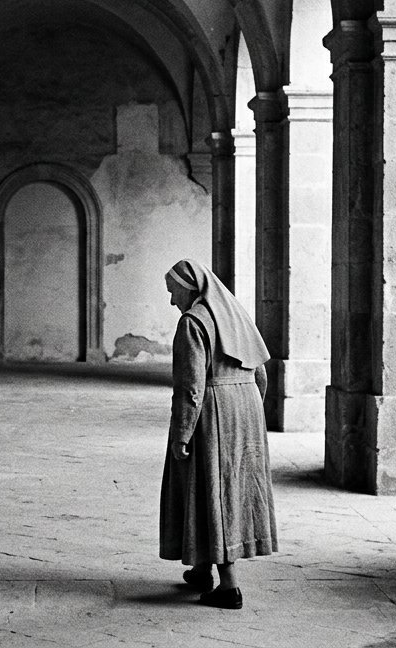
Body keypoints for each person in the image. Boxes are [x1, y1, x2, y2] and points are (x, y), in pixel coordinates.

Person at [159, 258, 278, 609]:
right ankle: (201, 567)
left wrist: (182, 432)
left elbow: (190, 386)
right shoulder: (233, 315)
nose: (172, 301)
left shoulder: (193, 321)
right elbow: (261, 375)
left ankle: (229, 586)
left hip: (213, 409)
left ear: (189, 288)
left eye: (173, 292)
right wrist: (249, 412)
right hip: (246, 406)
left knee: (214, 488)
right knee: (221, 486)